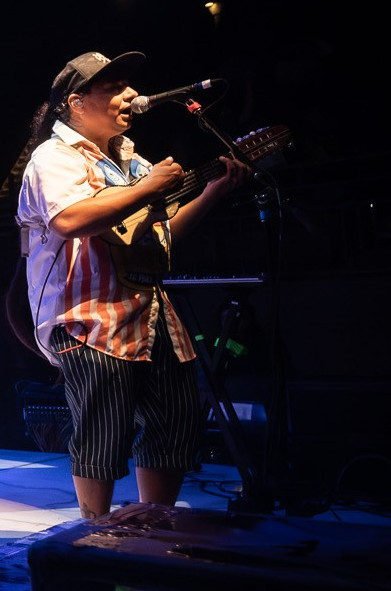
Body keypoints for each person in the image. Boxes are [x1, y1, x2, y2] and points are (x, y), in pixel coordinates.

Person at [14, 50, 246, 519]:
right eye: (115, 88)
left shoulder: (129, 160)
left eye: (129, 86)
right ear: (76, 103)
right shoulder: (53, 157)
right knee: (102, 433)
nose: (132, 96)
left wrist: (210, 193)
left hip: (150, 311)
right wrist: (148, 187)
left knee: (173, 425)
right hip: (87, 318)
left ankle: (153, 530)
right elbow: (70, 219)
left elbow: (157, 238)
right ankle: (93, 537)